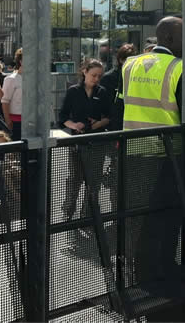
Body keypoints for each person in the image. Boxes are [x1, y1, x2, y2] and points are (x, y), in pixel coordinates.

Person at [122, 16, 184, 290]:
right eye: (184, 35)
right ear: (169, 38)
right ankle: (163, 271)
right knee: (168, 216)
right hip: (167, 154)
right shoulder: (179, 68)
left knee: (139, 218)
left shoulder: (129, 64)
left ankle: (140, 274)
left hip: (133, 151)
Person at [59, 59, 111, 258]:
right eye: (93, 75)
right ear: (84, 72)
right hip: (78, 142)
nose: (96, 79)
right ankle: (68, 212)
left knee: (94, 181)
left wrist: (96, 125)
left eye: (99, 76)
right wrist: (75, 126)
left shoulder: (102, 93)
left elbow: (109, 116)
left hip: (96, 141)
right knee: (75, 178)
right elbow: (62, 116)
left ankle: (87, 215)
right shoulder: (74, 91)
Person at [101, 43, 136, 132]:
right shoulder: (108, 78)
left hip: (132, 122)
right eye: (128, 60)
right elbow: (106, 105)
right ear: (120, 60)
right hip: (115, 124)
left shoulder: (136, 77)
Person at [1, 48, 23, 141]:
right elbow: (5, 101)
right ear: (21, 61)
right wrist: (8, 121)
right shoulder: (11, 79)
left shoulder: (35, 79)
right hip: (16, 121)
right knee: (16, 151)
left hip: (32, 121)